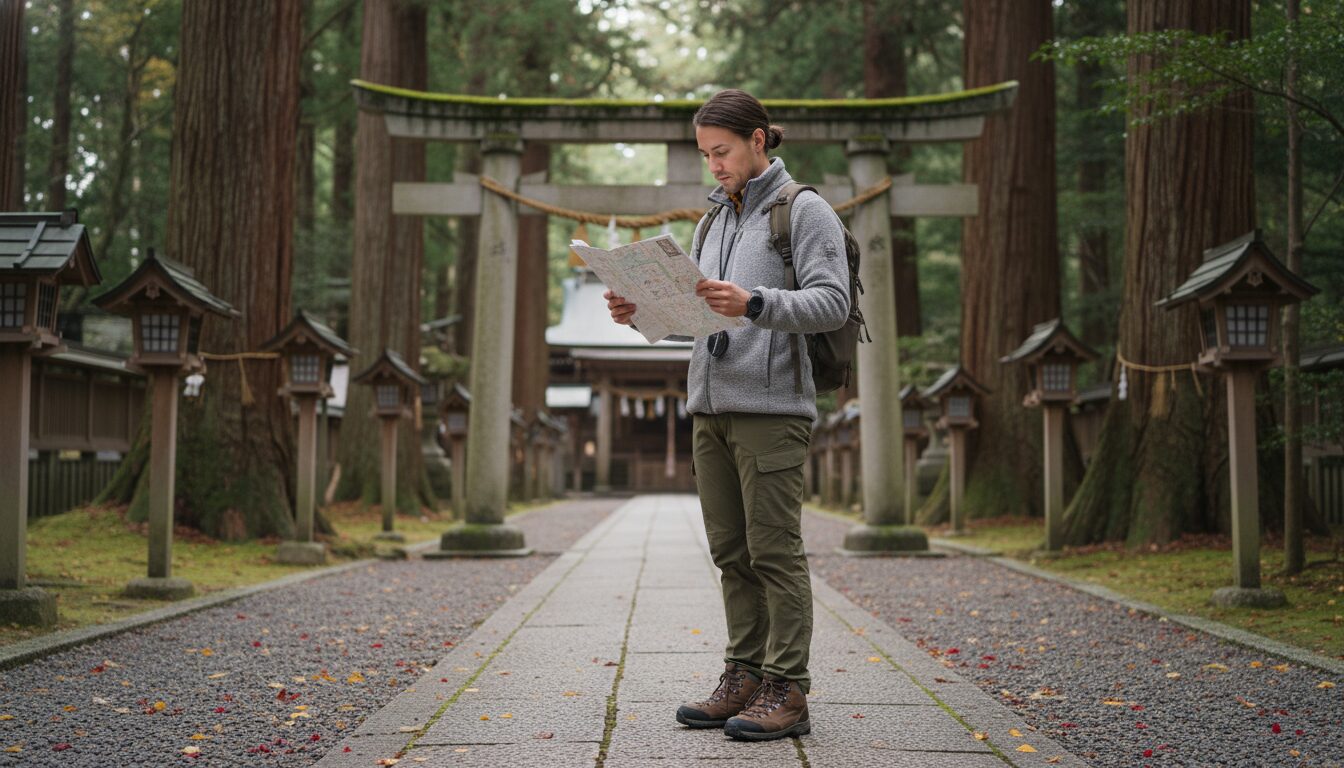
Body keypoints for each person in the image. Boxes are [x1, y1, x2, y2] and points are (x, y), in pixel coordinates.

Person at [605, 88, 849, 742]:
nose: (713, 164)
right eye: (704, 154)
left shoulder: (804, 211)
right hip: (710, 404)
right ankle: (743, 673)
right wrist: (642, 314)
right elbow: (697, 317)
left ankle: (788, 688)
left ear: (759, 140)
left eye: (722, 151)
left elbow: (832, 303)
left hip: (772, 408)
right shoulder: (711, 223)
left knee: (774, 552)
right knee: (731, 553)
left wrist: (756, 303)